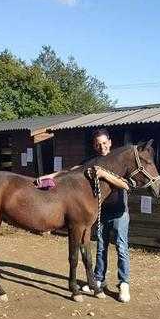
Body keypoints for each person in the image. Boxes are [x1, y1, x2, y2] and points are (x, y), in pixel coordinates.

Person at [37, 127, 131, 303]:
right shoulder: (92, 161)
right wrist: (48, 176)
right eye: (98, 144)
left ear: (110, 142)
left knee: (121, 247)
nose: (102, 146)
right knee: (100, 247)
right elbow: (72, 170)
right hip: (100, 211)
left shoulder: (118, 162)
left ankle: (124, 284)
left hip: (119, 211)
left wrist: (104, 174)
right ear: (95, 146)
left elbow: (126, 184)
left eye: (104, 143)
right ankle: (97, 279)